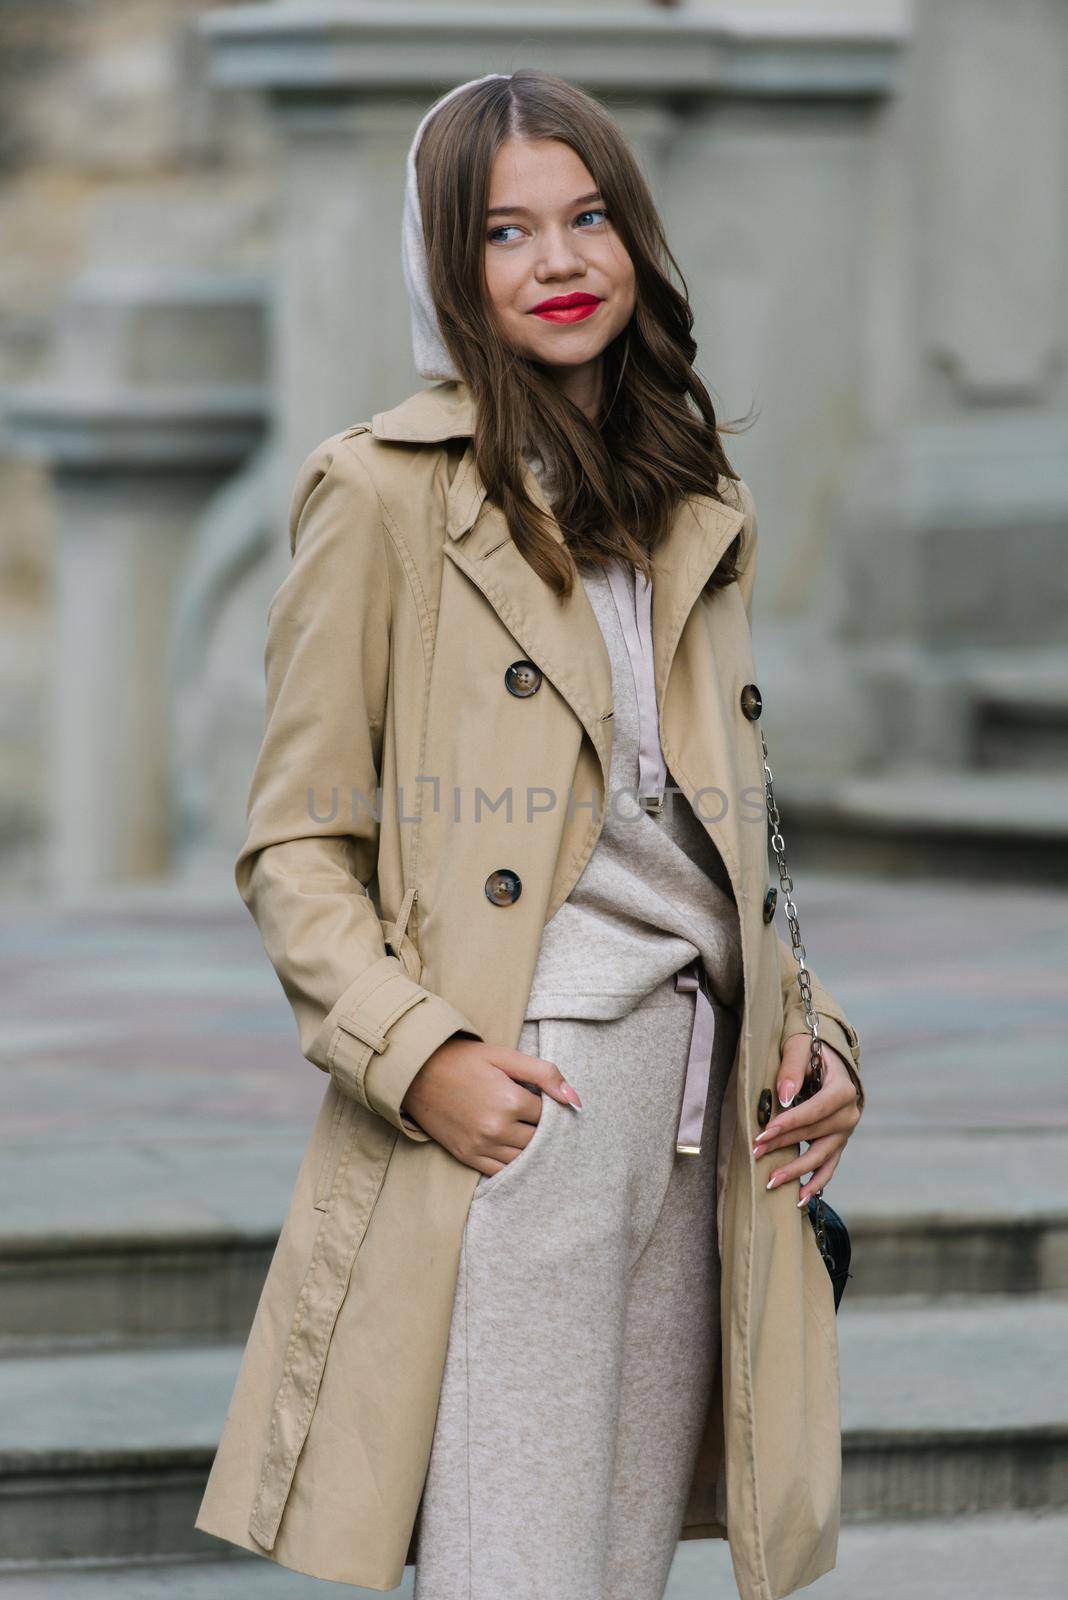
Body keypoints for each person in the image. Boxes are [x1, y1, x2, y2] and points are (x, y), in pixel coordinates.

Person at [194, 68, 865, 1600]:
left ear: (637, 237)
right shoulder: (381, 496)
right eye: (506, 232)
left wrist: (815, 1029)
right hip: (530, 1089)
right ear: (447, 265)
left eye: (589, 219)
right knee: (520, 1571)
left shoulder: (691, 494)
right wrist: (418, 1053)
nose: (559, 263)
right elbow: (296, 845)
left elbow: (730, 830)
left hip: (710, 1116)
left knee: (614, 1575)